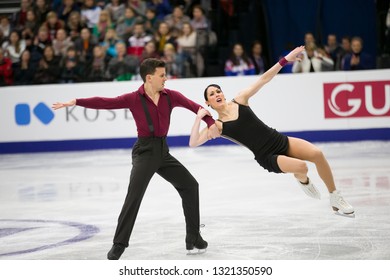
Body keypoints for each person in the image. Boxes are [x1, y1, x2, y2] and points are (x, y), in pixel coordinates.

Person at [52, 58, 219, 260]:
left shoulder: (170, 96)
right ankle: (119, 245)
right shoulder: (133, 98)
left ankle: (193, 237)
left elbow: (195, 107)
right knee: (134, 196)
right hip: (145, 152)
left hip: (163, 151)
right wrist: (77, 102)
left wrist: (210, 122)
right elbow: (105, 102)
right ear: (149, 78)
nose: (166, 78)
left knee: (190, 185)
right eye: (162, 75)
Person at [189, 45, 354, 216]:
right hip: (267, 156)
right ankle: (303, 181)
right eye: (212, 94)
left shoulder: (239, 99)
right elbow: (193, 143)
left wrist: (285, 60)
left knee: (317, 154)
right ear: (208, 103)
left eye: (218, 91)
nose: (217, 94)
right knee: (302, 167)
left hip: (278, 140)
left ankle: (335, 197)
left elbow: (263, 79)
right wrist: (198, 119)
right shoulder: (217, 126)